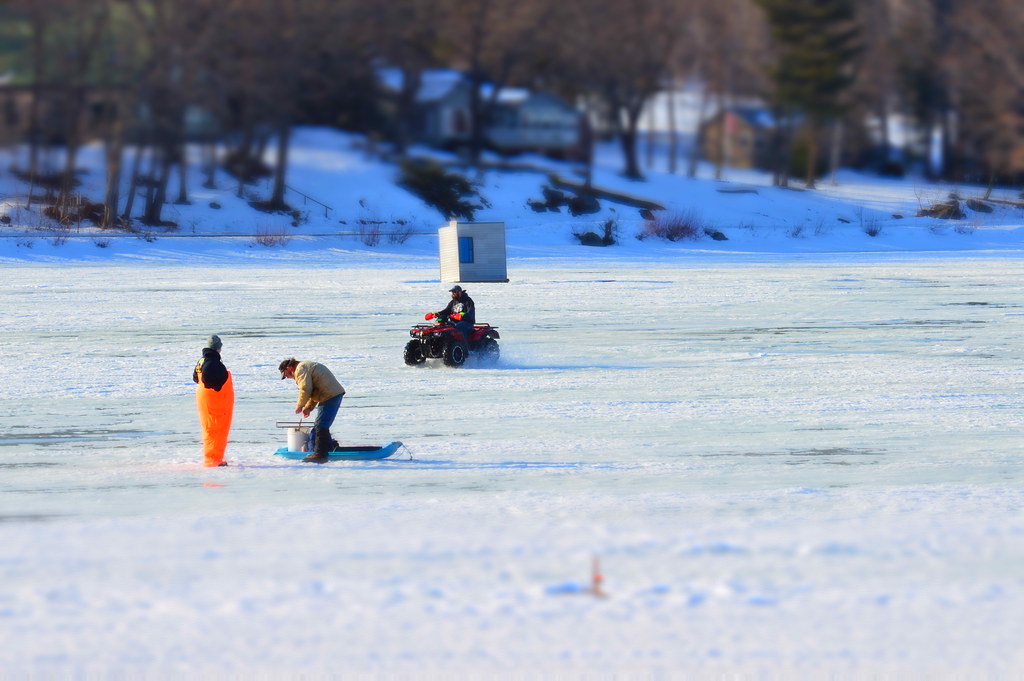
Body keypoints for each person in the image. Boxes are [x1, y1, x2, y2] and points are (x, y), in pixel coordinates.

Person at [278, 357, 346, 464]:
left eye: (285, 374)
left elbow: (305, 389)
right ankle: (328, 447)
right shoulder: (304, 367)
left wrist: (300, 405)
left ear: (289, 368)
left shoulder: (300, 369)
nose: (286, 377)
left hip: (331, 395)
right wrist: (308, 408)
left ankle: (320, 454)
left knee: (320, 425)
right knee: (321, 424)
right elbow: (314, 391)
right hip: (330, 394)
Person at [193, 334, 233, 467]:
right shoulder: (212, 361)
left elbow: (196, 377)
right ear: (218, 348)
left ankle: (214, 458)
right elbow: (207, 379)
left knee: (211, 429)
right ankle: (213, 460)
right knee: (217, 431)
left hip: (206, 400)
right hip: (215, 402)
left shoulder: (202, 360)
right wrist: (218, 388)